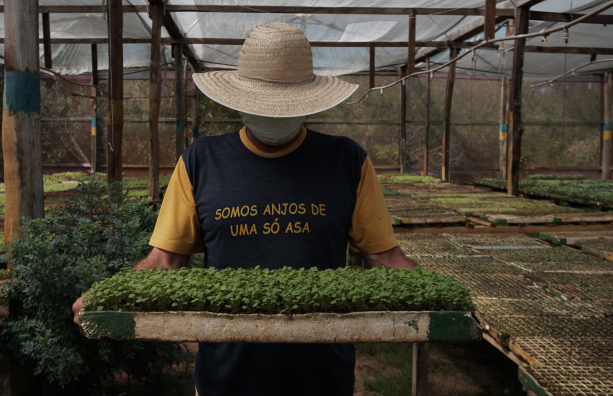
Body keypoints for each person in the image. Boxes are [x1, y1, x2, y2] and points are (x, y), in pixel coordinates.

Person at [73, 21, 415, 396]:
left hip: (322, 377)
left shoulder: (347, 161)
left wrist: (459, 297)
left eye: (285, 106)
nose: (273, 114)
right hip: (226, 377)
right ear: (239, 101)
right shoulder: (200, 162)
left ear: (308, 103)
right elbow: (165, 263)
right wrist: (108, 294)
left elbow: (385, 260)